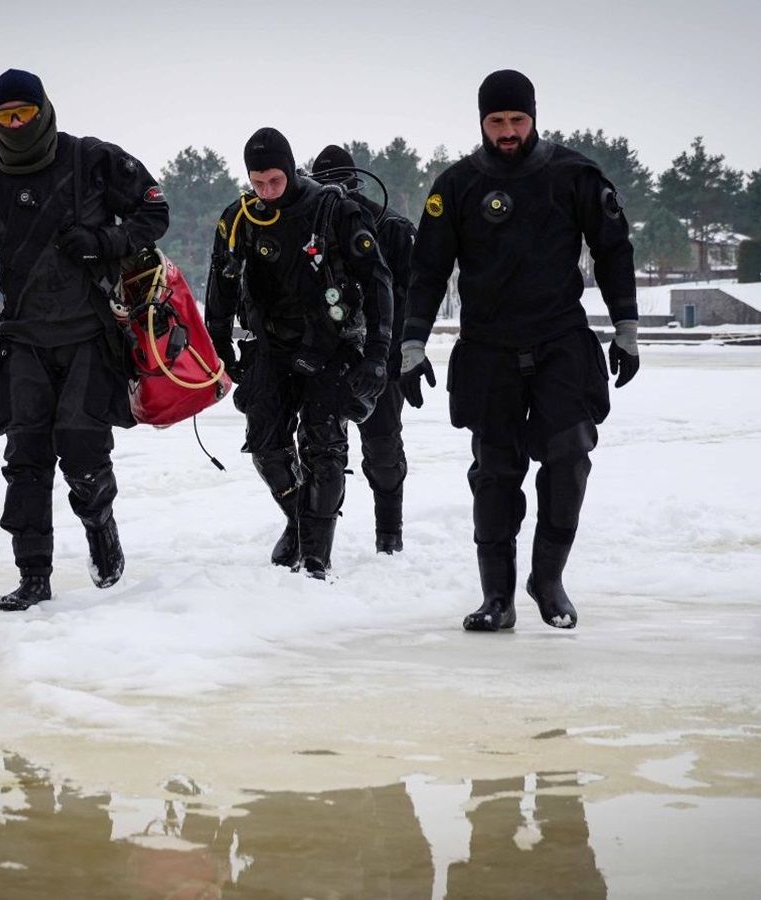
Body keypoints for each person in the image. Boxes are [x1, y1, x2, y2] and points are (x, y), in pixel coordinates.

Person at [0, 68, 169, 611]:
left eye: (23, 113)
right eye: (3, 116)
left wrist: (106, 240)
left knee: (82, 451)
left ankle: (100, 524)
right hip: (24, 341)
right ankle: (34, 576)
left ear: (44, 110)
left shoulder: (93, 160)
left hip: (89, 336)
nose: (15, 124)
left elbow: (155, 210)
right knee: (26, 461)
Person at [400, 69, 640, 631]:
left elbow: (613, 250)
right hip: (487, 346)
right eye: (496, 121)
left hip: (559, 339)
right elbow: (429, 269)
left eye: (517, 120)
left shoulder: (574, 176)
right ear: (481, 121)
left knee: (569, 455)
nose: (508, 131)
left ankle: (548, 579)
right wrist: (412, 341)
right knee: (495, 470)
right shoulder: (455, 186)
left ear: (534, 116)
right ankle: (497, 598)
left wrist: (626, 327)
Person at [205, 127, 394, 579]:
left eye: (274, 181)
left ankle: (315, 558)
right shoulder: (241, 218)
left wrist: (377, 353)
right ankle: (298, 518)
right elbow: (221, 285)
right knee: (266, 446)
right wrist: (219, 345)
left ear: (290, 170)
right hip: (271, 346)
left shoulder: (334, 212)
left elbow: (378, 281)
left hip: (333, 344)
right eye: (258, 183)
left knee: (324, 448)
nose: (266, 192)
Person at [311, 146, 417, 554]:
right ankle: (311, 541)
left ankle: (389, 535)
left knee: (383, 448)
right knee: (320, 451)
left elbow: (413, 296)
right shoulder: (309, 222)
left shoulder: (392, 228)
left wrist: (404, 354)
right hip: (325, 354)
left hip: (382, 354)